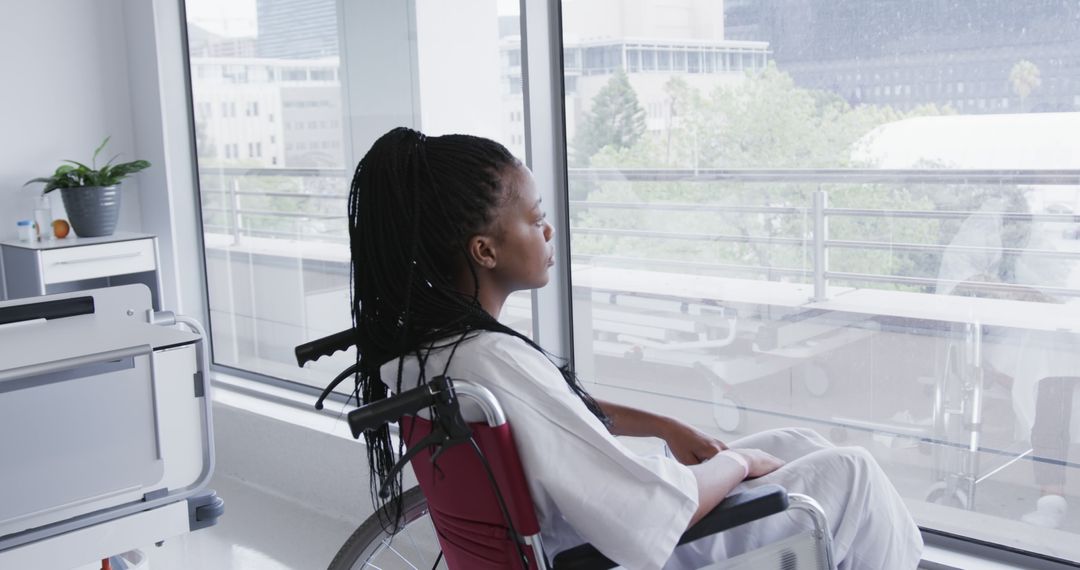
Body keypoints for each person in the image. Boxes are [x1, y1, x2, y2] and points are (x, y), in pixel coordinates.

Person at [345, 127, 923, 570]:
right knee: (855, 474)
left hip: (575, 530)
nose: (548, 233)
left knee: (799, 443)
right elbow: (645, 513)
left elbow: (558, 421)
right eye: (535, 219)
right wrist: (737, 463)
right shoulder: (494, 360)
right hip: (613, 550)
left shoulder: (437, 354)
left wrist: (665, 425)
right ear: (484, 251)